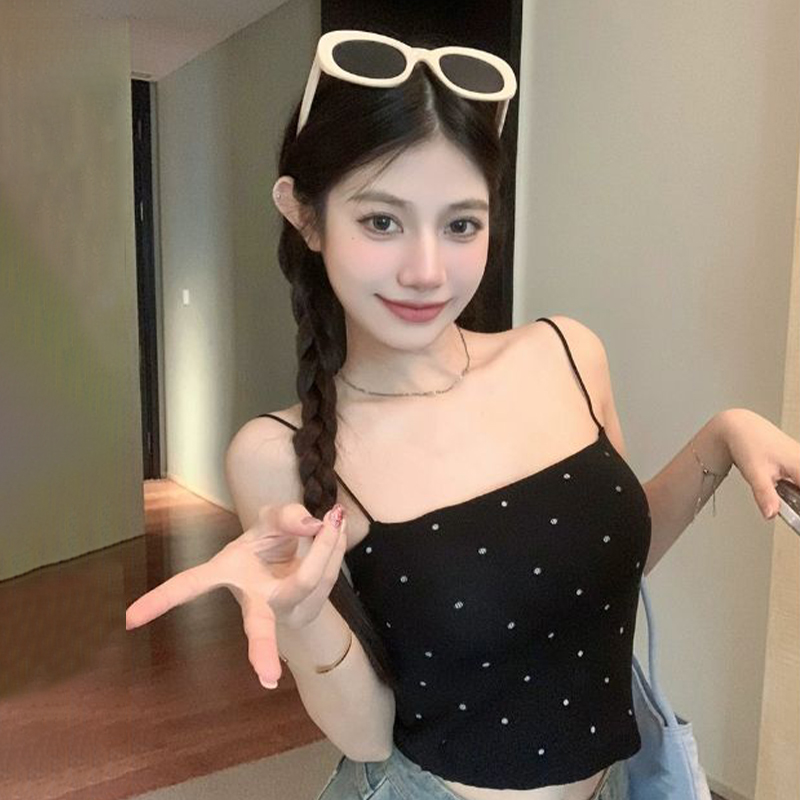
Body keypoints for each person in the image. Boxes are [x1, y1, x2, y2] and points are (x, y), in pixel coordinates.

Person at [126, 28, 800, 800]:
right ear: (306, 217)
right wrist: (302, 617)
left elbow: (599, 567)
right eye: (382, 222)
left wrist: (722, 438)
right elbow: (368, 736)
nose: (426, 270)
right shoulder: (276, 453)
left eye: (461, 224)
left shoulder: (567, 354)